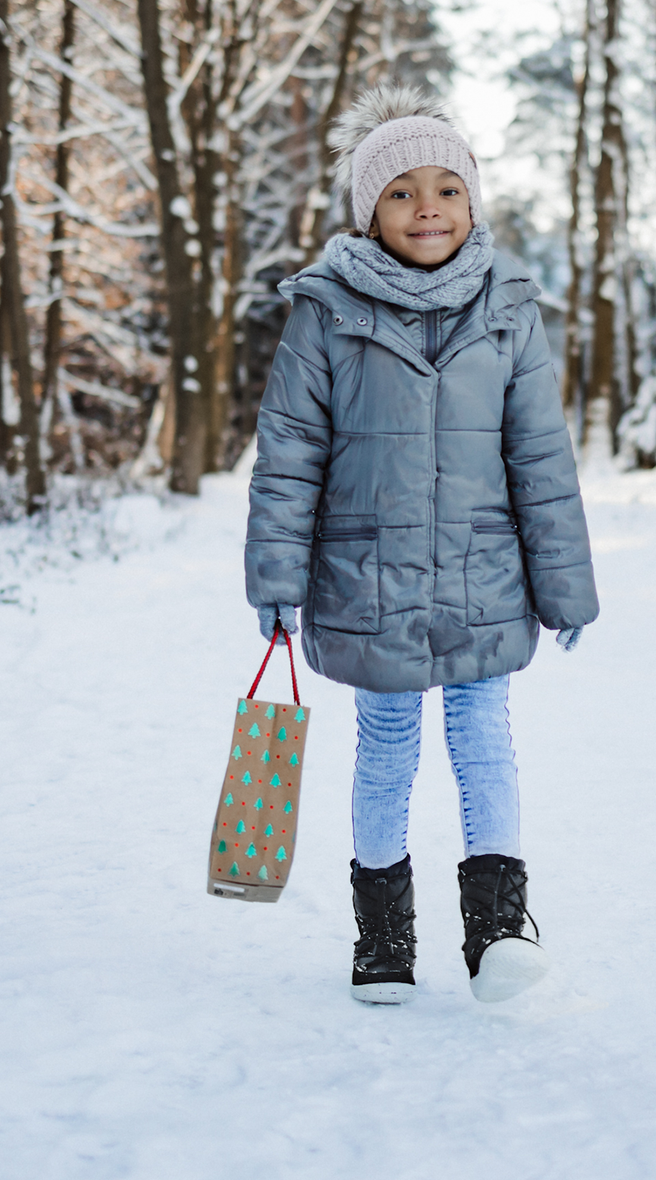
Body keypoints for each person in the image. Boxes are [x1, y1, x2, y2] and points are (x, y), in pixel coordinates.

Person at [245, 84, 598, 1005]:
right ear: (369, 212)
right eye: (401, 190)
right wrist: (276, 576)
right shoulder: (325, 312)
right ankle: (384, 937)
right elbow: (289, 452)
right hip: (368, 573)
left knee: (484, 739)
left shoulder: (509, 309)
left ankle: (497, 928)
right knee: (386, 746)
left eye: (446, 187)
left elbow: (540, 454)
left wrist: (563, 581)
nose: (427, 206)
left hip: (485, 568)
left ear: (473, 201)